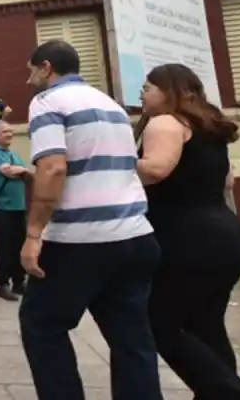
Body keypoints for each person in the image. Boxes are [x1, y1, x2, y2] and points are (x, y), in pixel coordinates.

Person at [20, 40, 162, 400]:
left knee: (42, 324)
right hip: (134, 235)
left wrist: (34, 233)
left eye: (31, 71)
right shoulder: (111, 105)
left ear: (47, 67)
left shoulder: (48, 102)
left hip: (81, 240)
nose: (29, 80)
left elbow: (52, 168)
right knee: (132, 338)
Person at [136, 64, 240, 399]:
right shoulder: (207, 127)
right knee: (206, 325)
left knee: (159, 324)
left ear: (170, 91)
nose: (142, 92)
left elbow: (155, 170)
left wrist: (111, 159)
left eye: (149, 86)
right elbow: (228, 182)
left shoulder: (165, 122)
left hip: (188, 240)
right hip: (225, 234)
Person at [0, 120, 30, 301]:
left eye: (10, 131)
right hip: (1, 206)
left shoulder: (13, 154)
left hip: (19, 206)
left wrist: (21, 170)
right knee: (3, 248)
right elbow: (8, 172)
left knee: (19, 245)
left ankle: (19, 281)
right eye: (5, 132)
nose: (10, 134)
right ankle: (3, 283)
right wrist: (21, 170)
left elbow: (23, 172)